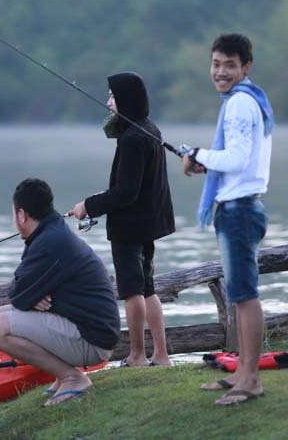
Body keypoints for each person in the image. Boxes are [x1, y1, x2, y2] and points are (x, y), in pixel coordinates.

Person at [182, 33, 273, 407]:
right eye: (216, 64)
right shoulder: (252, 99)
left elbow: (234, 159)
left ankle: (250, 380)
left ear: (245, 67)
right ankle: (243, 371)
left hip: (238, 212)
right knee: (242, 296)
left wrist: (199, 153)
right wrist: (204, 160)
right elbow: (241, 162)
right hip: (242, 206)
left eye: (229, 65)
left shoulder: (239, 104)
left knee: (245, 297)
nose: (220, 72)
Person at [0, 178, 120, 407]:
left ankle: (73, 378)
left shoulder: (50, 241)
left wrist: (30, 296)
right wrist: (31, 297)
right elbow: (20, 291)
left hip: (92, 341)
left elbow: (17, 292)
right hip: (84, 328)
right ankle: (62, 376)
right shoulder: (51, 232)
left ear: (21, 215)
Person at [72, 71, 175, 367]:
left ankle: (137, 355)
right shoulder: (149, 129)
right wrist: (104, 195)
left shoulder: (131, 139)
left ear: (127, 98)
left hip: (130, 227)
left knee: (132, 291)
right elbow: (134, 185)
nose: (108, 102)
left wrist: (89, 206)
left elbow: (127, 193)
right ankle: (162, 354)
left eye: (113, 96)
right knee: (148, 288)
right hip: (148, 223)